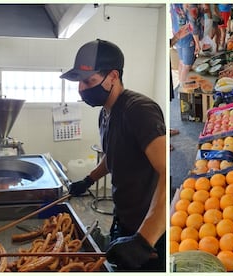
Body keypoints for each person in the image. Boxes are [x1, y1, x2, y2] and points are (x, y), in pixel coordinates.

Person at [60, 39, 166, 271]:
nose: (81, 89)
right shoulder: (105, 114)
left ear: (113, 76)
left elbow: (165, 170)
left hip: (150, 231)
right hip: (125, 220)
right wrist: (89, 180)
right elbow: (113, 155)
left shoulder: (139, 110)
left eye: (89, 81)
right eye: (79, 82)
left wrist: (144, 240)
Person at [170, 4, 203, 90]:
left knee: (181, 62)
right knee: (187, 65)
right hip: (187, 36)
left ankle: (181, 85)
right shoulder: (191, 5)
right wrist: (197, 43)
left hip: (177, 34)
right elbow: (193, 26)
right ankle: (183, 89)